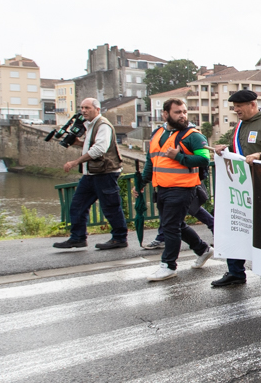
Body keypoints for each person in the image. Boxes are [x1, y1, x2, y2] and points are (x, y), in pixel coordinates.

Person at [139, 98, 215, 281]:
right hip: (162, 187)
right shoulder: (157, 134)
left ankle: (168, 265)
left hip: (182, 188)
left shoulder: (193, 135)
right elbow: (151, 161)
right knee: (174, 225)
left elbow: (204, 159)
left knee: (170, 227)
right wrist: (142, 183)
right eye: (177, 112)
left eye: (184, 112)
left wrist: (179, 157)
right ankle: (203, 249)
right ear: (165, 114)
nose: (182, 116)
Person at [206, 90, 261, 287]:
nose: (236, 110)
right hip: (240, 187)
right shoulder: (240, 126)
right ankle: (235, 271)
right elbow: (237, 150)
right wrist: (223, 150)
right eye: (234, 106)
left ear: (252, 104)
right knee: (234, 225)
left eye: (239, 106)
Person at [53, 97, 129, 250]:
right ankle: (78, 238)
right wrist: (79, 143)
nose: (83, 111)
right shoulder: (91, 125)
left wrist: (76, 162)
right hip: (91, 174)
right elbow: (93, 145)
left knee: (111, 207)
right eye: (82, 108)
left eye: (87, 108)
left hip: (105, 173)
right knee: (77, 205)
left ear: (97, 110)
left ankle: (120, 238)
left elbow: (99, 149)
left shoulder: (103, 125)